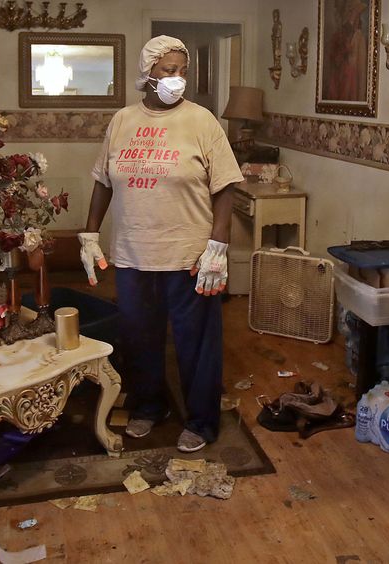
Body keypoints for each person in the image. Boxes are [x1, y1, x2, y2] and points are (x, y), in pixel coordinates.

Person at [78, 35, 244, 453]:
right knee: (138, 335)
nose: (178, 79)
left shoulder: (202, 121)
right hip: (134, 252)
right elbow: (102, 180)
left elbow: (225, 188)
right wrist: (89, 234)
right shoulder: (122, 121)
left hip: (190, 254)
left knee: (196, 340)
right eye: (169, 70)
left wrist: (218, 246)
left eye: (182, 71)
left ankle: (203, 421)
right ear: (147, 72)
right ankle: (149, 406)